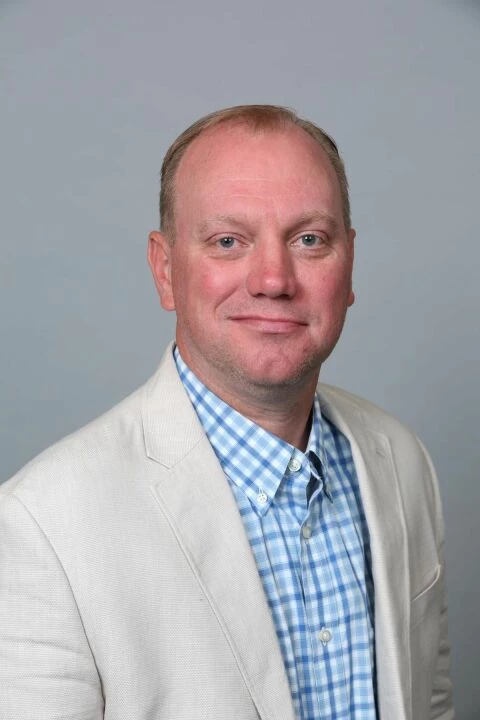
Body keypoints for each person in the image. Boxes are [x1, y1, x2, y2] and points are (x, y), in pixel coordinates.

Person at [0, 105, 453, 720]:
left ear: (349, 263)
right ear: (166, 271)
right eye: (228, 242)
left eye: (309, 239)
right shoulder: (41, 525)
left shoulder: (401, 460)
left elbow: (431, 703)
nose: (273, 279)